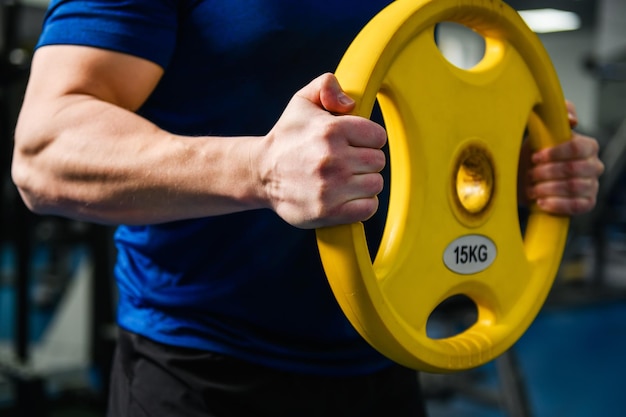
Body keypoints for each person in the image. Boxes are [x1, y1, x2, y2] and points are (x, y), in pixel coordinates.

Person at [11, 1, 604, 416]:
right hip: (204, 370)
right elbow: (45, 153)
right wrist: (260, 169)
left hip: (386, 346)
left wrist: (522, 167)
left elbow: (420, 123)